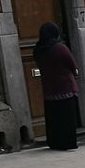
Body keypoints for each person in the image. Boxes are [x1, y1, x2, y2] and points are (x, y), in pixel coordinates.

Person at [34, 21, 79, 150]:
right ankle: (68, 142)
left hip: (49, 89)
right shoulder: (60, 48)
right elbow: (72, 64)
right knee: (67, 117)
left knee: (54, 118)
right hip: (65, 88)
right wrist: (74, 72)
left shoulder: (38, 50)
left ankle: (55, 142)